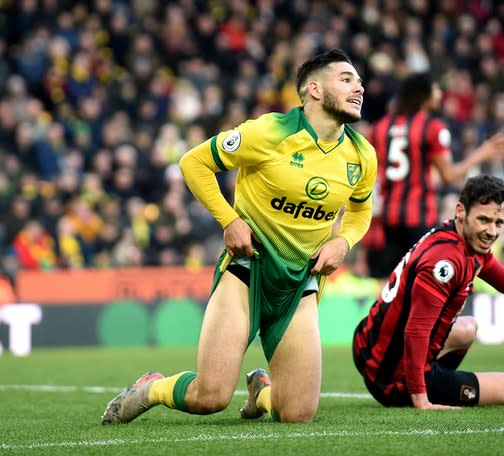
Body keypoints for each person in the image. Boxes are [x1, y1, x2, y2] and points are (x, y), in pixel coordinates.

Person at [101, 48, 377, 424]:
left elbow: (361, 211)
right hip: (248, 270)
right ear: (313, 89)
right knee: (210, 397)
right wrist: (229, 220)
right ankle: (152, 387)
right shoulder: (270, 131)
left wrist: (343, 241)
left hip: (300, 284)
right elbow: (193, 162)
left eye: (359, 81)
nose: (358, 87)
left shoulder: (362, 155)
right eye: (346, 79)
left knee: (296, 414)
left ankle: (261, 393)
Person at [353, 175, 504, 410]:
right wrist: (420, 398)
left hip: (368, 345)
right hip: (392, 380)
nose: (491, 231)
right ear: (461, 211)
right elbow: (416, 331)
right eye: (483, 220)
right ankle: (426, 384)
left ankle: (438, 379)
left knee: (468, 328)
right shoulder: (445, 263)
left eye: (498, 223)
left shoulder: (458, 237)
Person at [363, 71, 504, 280]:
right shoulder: (432, 128)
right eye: (436, 89)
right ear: (424, 95)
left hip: (386, 216)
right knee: (422, 281)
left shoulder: (379, 128)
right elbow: (449, 175)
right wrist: (482, 153)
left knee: (388, 285)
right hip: (419, 215)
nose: (440, 94)